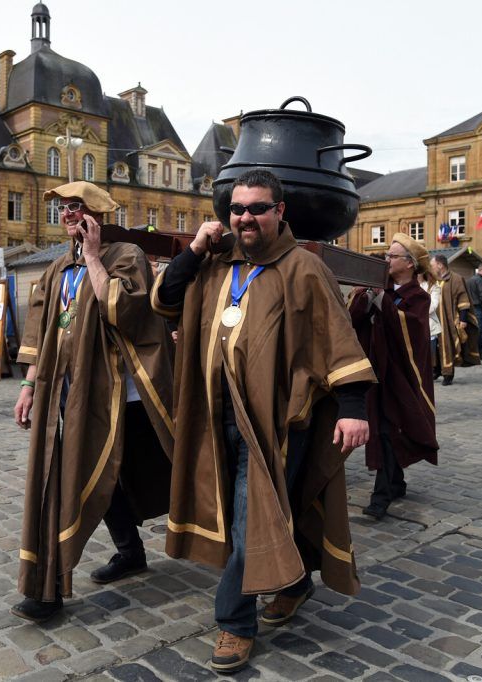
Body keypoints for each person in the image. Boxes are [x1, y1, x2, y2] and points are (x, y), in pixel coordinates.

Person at [152, 170, 374, 673]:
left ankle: (234, 624)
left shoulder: (304, 269)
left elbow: (336, 339)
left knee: (250, 522)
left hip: (275, 425)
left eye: (257, 208)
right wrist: (192, 250)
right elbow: (164, 302)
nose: (245, 217)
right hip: (213, 418)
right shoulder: (211, 266)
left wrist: (355, 408)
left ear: (280, 212)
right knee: (258, 515)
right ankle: (294, 583)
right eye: (237, 209)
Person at [10, 181, 174, 624]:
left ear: (98, 212)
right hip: (72, 393)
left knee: (162, 467)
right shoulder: (58, 267)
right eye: (63, 209)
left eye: (75, 207)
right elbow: (39, 331)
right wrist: (28, 387)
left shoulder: (126, 256)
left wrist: (95, 256)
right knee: (96, 475)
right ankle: (125, 553)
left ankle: (235, 540)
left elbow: (121, 309)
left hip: (128, 395)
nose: (66, 215)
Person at [349, 233, 438, 520]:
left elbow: (410, 332)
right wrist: (366, 298)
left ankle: (381, 496)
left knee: (388, 429)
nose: (386, 259)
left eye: (393, 256)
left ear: (410, 264)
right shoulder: (381, 287)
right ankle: (396, 482)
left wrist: (383, 301)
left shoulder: (418, 297)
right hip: (375, 370)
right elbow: (354, 317)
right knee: (386, 427)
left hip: (400, 375)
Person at [430, 254, 481, 385]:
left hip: (449, 319)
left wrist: (463, 319)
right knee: (433, 347)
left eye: (432, 265)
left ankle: (448, 373)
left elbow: (463, 299)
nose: (431, 267)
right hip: (433, 320)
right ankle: (435, 370)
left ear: (440, 265)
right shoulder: (433, 280)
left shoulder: (456, 279)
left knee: (447, 346)